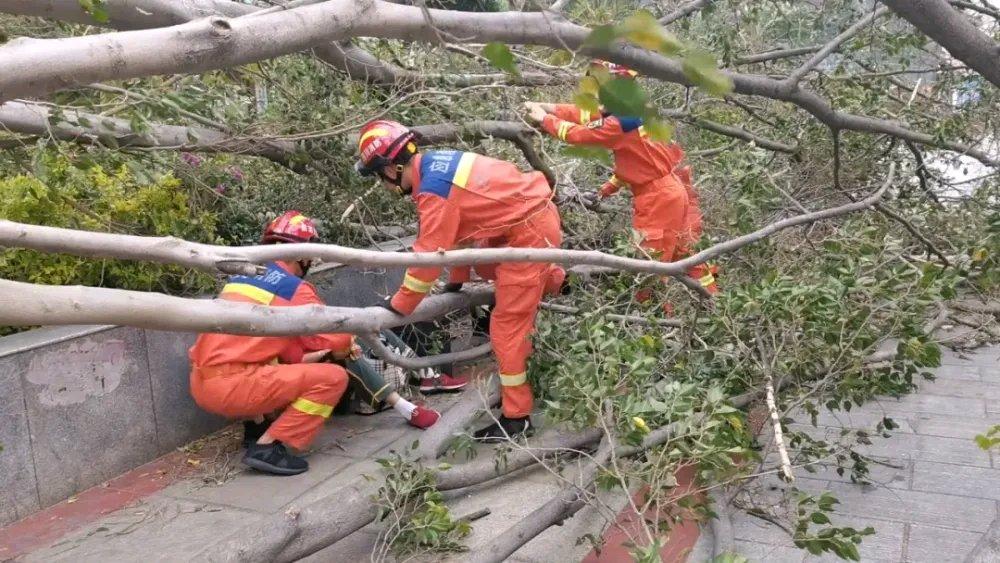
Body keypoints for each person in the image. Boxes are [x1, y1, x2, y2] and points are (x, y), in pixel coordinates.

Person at [354, 119, 566, 441]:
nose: (382, 185)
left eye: (378, 177)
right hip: (524, 226)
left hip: (527, 238)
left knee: (506, 331)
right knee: (485, 267)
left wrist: (399, 307)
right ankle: (554, 279)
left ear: (392, 168)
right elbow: (459, 235)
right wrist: (456, 281)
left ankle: (517, 418)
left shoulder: (433, 192)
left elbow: (427, 259)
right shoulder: (437, 166)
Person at [188, 211, 440, 476]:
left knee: (270, 362)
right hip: (234, 387)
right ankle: (270, 446)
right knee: (332, 378)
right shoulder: (291, 287)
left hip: (203, 383)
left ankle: (256, 428)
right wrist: (339, 349)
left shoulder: (241, 278)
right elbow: (337, 336)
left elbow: (277, 346)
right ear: (301, 253)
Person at [524, 60, 719, 306]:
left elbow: (578, 133)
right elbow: (594, 121)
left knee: (649, 265)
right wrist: (549, 107)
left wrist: (545, 119)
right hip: (670, 189)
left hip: (658, 198)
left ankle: (653, 320)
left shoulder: (619, 123)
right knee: (685, 253)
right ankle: (716, 305)